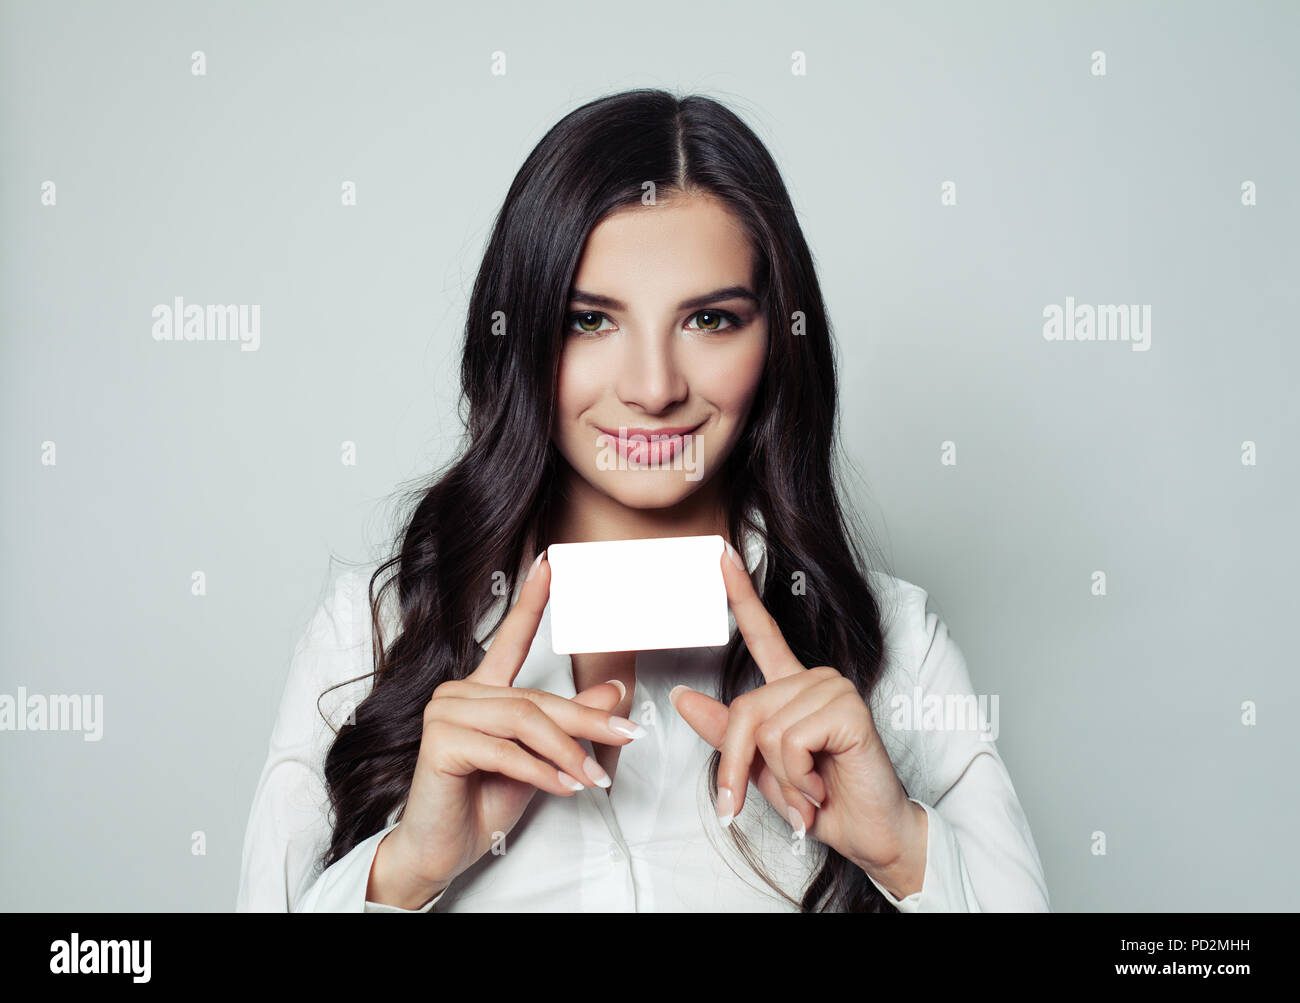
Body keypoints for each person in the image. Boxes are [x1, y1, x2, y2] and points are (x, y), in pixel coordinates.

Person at [236, 88, 1050, 912]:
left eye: (710, 319)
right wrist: (406, 870)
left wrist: (904, 853)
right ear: (519, 337)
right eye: (590, 321)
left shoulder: (894, 644)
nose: (654, 388)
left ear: (776, 338)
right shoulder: (370, 635)